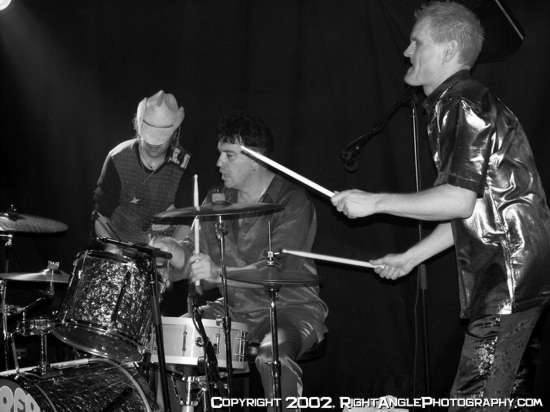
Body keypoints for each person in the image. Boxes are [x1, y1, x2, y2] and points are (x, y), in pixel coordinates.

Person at [332, 1, 550, 408]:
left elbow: (457, 201)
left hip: (506, 277)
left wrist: (374, 202)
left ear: (448, 50)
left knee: (475, 400)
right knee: (502, 397)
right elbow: (473, 207)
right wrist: (411, 258)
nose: (406, 51)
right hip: (518, 274)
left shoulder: (461, 103)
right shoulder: (466, 101)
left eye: (417, 43)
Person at [153, 112, 328, 409]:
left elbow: (277, 269)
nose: (219, 162)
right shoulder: (217, 200)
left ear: (256, 159)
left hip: (289, 308)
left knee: (272, 357)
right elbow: (192, 256)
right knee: (171, 342)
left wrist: (217, 272)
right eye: (220, 153)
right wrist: (171, 251)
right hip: (234, 309)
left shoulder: (292, 202)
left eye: (229, 155)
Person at [93, 90, 193, 245]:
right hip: (121, 245)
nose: (153, 144)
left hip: (163, 249)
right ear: (138, 127)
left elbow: (186, 221)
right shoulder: (118, 158)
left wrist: (173, 252)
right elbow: (100, 217)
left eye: (161, 138)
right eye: (149, 136)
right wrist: (113, 249)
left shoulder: (183, 164)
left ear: (174, 134)